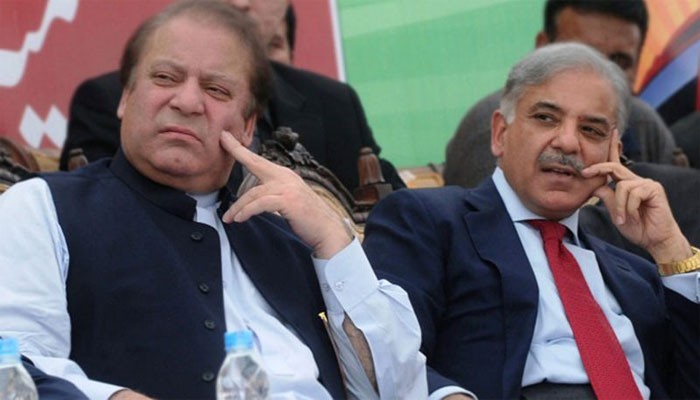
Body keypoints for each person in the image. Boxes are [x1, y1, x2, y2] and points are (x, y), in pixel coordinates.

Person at [0, 2, 426, 399]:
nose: (187, 102)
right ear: (126, 98)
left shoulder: (290, 236)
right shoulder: (44, 208)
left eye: (216, 89)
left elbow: (399, 388)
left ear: (247, 127)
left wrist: (333, 240)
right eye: (165, 78)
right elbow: (14, 367)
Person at [363, 43, 700, 400]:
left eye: (591, 130)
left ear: (614, 153)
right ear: (500, 134)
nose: (567, 142)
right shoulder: (428, 222)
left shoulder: (636, 275)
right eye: (546, 118)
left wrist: (671, 250)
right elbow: (384, 351)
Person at [59, 0, 404, 192]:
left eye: (217, 90)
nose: (240, 3)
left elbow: (390, 215)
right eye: (166, 78)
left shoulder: (334, 103)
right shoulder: (107, 99)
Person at [444, 0, 681, 189]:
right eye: (582, 58)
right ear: (542, 48)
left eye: (619, 62)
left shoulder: (645, 126)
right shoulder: (494, 129)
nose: (601, 77)